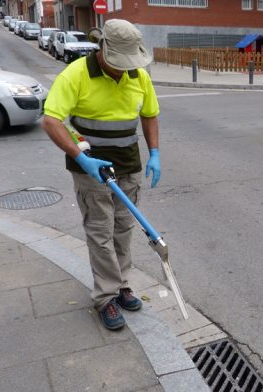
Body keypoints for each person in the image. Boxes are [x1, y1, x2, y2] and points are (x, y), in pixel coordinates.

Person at [42, 19, 161, 330]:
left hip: (128, 165)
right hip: (91, 169)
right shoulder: (76, 74)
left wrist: (155, 153)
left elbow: (149, 114)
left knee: (123, 229)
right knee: (100, 232)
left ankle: (122, 284)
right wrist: (82, 157)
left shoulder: (139, 75)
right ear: (103, 49)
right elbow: (51, 120)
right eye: (118, 63)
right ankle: (106, 297)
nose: (124, 70)